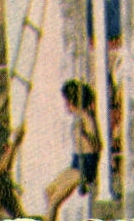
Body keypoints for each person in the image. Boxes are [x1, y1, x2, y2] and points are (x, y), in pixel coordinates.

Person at [44, 80, 101, 221]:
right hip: (76, 163)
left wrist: (85, 134)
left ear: (72, 102)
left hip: (85, 165)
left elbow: (98, 146)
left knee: (54, 201)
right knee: (49, 191)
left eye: (66, 102)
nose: (65, 106)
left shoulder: (87, 118)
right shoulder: (78, 117)